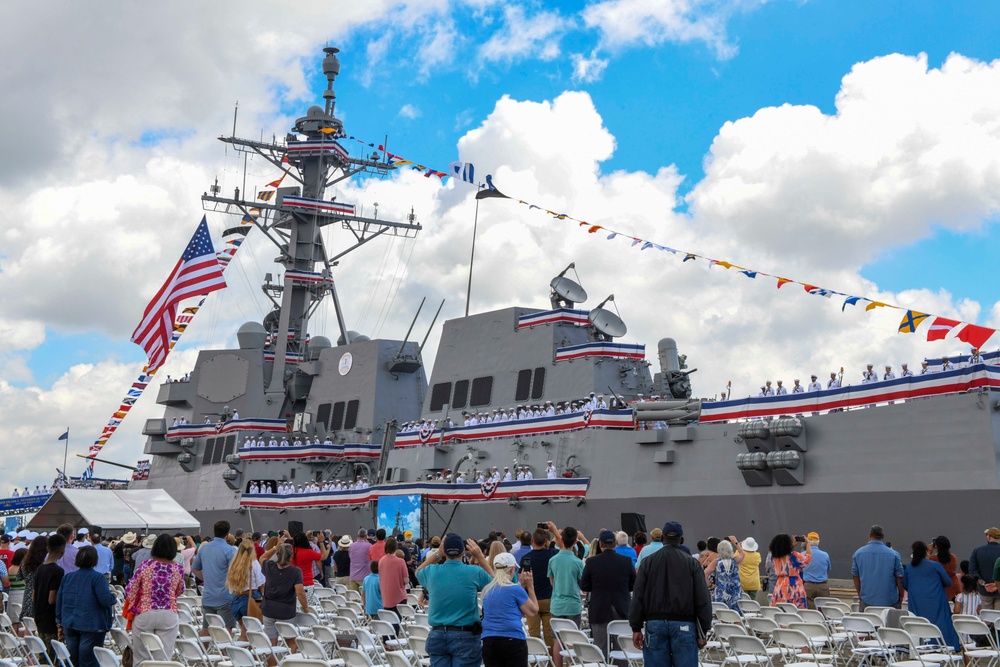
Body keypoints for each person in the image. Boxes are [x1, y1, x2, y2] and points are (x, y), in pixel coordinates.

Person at [629, 521, 711, 667]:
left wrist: (636, 627)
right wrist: (703, 629)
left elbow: (638, 596)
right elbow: (702, 598)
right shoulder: (692, 564)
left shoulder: (648, 563)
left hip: (655, 624)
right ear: (681, 540)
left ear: (662, 539)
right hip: (685, 624)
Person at [416, 533, 493, 667]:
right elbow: (496, 584)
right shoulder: (474, 572)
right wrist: (480, 557)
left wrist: (437, 554)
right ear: (464, 551)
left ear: (444, 551)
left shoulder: (432, 571)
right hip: (465, 636)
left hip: (437, 634)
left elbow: (418, 572)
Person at [125, 534, 185, 662]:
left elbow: (130, 590)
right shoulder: (178, 568)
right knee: (163, 657)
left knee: (141, 658)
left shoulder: (146, 565)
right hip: (169, 612)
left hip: (145, 611)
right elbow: (180, 590)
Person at [56, 546, 116, 667]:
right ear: (95, 560)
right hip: (92, 624)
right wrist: (113, 597)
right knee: (88, 661)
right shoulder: (98, 577)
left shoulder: (68, 577)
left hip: (70, 622)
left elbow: (60, 600)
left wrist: (59, 622)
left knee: (73, 660)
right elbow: (105, 600)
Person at [581, 530, 635, 657]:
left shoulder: (591, 562)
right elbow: (633, 584)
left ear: (600, 544)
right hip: (621, 608)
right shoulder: (626, 561)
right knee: (621, 649)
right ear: (615, 543)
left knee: (600, 648)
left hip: (599, 608)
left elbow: (584, 586)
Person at [481, 551, 538, 667]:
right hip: (512, 638)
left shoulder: (487, 590)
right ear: (512, 569)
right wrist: (530, 587)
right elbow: (533, 611)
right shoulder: (515, 590)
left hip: (489, 638)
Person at [904, 541, 960, 651]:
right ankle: (947, 647)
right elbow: (948, 582)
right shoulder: (935, 565)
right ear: (926, 552)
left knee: (919, 625)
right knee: (941, 625)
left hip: (916, 602)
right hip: (936, 601)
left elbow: (905, 584)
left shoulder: (909, 567)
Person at [548, 524, 586, 667]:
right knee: (571, 639)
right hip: (573, 605)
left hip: (557, 604)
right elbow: (581, 583)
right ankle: (570, 664)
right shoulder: (577, 562)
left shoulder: (553, 560)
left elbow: (552, 582)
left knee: (557, 639)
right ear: (575, 541)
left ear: (561, 539)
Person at [257, 541, 310, 645]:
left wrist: (275, 547)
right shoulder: (295, 571)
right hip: (286, 611)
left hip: (268, 609)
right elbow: (300, 592)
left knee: (271, 642)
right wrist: (306, 608)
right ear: (291, 556)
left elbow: (262, 558)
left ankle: (273, 661)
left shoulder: (269, 566)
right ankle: (290, 660)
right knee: (290, 641)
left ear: (277, 554)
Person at [192, 520, 238, 630]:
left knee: (206, 629)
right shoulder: (230, 550)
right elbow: (235, 572)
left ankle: (202, 647)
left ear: (214, 531)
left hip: (208, 595)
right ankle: (224, 648)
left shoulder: (204, 549)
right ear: (228, 534)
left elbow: (194, 568)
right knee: (227, 630)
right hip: (225, 596)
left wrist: (207, 578)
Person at [521, 528, 557, 653]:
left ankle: (535, 662)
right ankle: (552, 662)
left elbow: (523, 581)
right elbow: (564, 547)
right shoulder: (551, 554)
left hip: (531, 599)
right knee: (549, 634)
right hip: (548, 598)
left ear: (532, 540)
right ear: (546, 540)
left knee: (534, 634)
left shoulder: (526, 558)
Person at [852, 525, 904, 610]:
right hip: (890, 601)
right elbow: (900, 577)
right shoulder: (894, 554)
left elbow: (855, 576)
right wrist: (901, 594)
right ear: (883, 537)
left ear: (870, 535)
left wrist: (860, 593)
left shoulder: (858, 554)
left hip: (867, 600)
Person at [34, 533, 67, 657]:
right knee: (52, 656)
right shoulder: (58, 571)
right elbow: (52, 599)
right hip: (50, 618)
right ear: (62, 550)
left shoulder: (40, 568)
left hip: (39, 615)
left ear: (48, 548)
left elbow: (34, 595)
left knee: (43, 655)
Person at [225, 538, 265, 632]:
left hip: (236, 600)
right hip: (251, 598)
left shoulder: (234, 564)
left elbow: (230, 587)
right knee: (251, 633)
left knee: (246, 631)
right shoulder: (254, 564)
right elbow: (261, 583)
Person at [769, 534, 812, 609]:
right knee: (796, 611)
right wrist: (808, 544)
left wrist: (792, 546)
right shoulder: (794, 556)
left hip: (779, 586)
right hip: (794, 586)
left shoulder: (774, 557)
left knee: (781, 610)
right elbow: (808, 558)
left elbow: (784, 553)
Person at [705, 538, 744, 612]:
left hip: (721, 592)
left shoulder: (716, 562)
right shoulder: (736, 560)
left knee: (722, 615)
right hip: (735, 593)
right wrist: (736, 542)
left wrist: (710, 585)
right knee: (736, 615)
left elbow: (704, 574)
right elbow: (742, 553)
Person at [18, 535, 48, 627]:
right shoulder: (45, 563)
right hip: (43, 595)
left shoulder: (25, 561)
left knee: (28, 626)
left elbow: (21, 577)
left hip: (28, 595)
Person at [969, 527, 1000, 610]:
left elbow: (972, 570)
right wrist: (996, 585)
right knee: (998, 618)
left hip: (984, 590)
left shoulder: (977, 551)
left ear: (988, 537)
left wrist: (984, 583)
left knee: (986, 618)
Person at [379, 537, 409, 620]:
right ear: (396, 547)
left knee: (389, 624)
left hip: (386, 596)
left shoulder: (381, 561)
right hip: (399, 596)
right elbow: (406, 580)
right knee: (396, 622)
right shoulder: (401, 561)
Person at [801, 532, 831, 609]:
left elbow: (800, 569)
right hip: (822, 586)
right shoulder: (825, 555)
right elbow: (827, 570)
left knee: (809, 611)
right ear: (818, 542)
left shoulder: (803, 555)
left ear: (807, 542)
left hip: (808, 585)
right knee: (824, 610)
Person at [929, 536, 959, 601]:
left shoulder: (933, 558)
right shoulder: (953, 557)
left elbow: (926, 564)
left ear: (936, 546)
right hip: (954, 588)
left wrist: (929, 552)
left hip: (939, 589)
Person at [349, 528, 372, 592]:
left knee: (353, 599)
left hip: (353, 576)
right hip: (364, 576)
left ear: (358, 535)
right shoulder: (369, 546)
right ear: (366, 536)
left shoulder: (351, 545)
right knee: (365, 598)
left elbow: (350, 557)